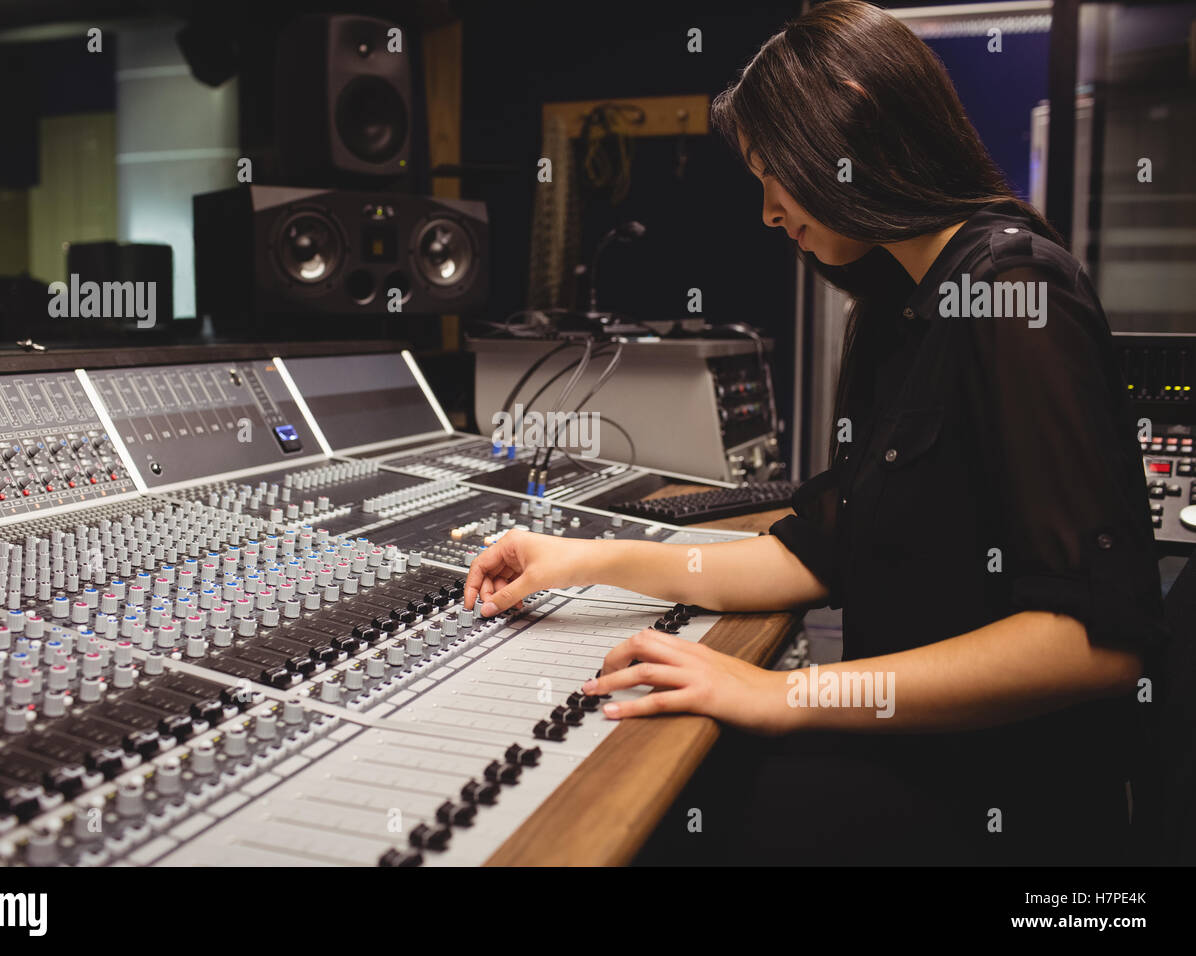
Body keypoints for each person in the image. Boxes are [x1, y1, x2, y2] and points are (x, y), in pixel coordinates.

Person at [462, 1, 1166, 865]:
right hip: (910, 751)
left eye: (773, 175)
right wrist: (581, 558)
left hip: (1004, 797)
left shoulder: (1012, 288)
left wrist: (784, 693)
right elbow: (811, 555)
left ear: (853, 119)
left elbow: (1090, 645)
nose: (767, 212)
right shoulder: (893, 308)